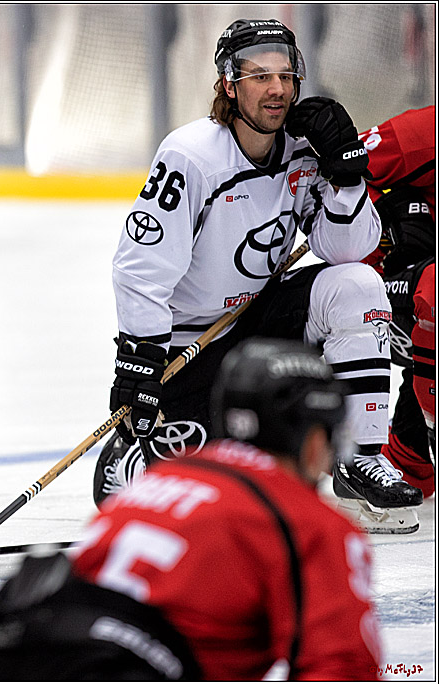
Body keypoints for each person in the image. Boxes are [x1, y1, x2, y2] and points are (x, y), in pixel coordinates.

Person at [92, 17, 423, 533]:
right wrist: (139, 362)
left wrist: (347, 177)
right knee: (186, 485)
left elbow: (348, 250)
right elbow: (141, 269)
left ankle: (359, 457)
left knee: (357, 285)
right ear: (230, 83)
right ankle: (134, 449)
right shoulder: (191, 156)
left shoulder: (301, 151)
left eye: (287, 77)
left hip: (260, 324)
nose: (277, 90)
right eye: (261, 76)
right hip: (190, 346)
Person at [0, 338, 382, 681]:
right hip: (124, 664)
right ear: (312, 440)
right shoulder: (310, 522)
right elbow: (342, 670)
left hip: (7, 637)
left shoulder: (167, 474)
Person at [357, 105, 435, 504]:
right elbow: (342, 173)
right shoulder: (421, 133)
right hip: (404, 292)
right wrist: (375, 242)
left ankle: (412, 455)